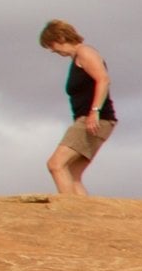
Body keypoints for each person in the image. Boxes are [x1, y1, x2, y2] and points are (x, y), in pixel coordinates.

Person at [39, 19, 115, 196]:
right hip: (94, 120)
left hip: (95, 119)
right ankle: (85, 216)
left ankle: (68, 212)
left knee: (56, 164)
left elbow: (103, 80)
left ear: (60, 37)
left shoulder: (85, 52)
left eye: (51, 45)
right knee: (72, 175)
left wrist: (94, 112)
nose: (52, 50)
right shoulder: (77, 58)